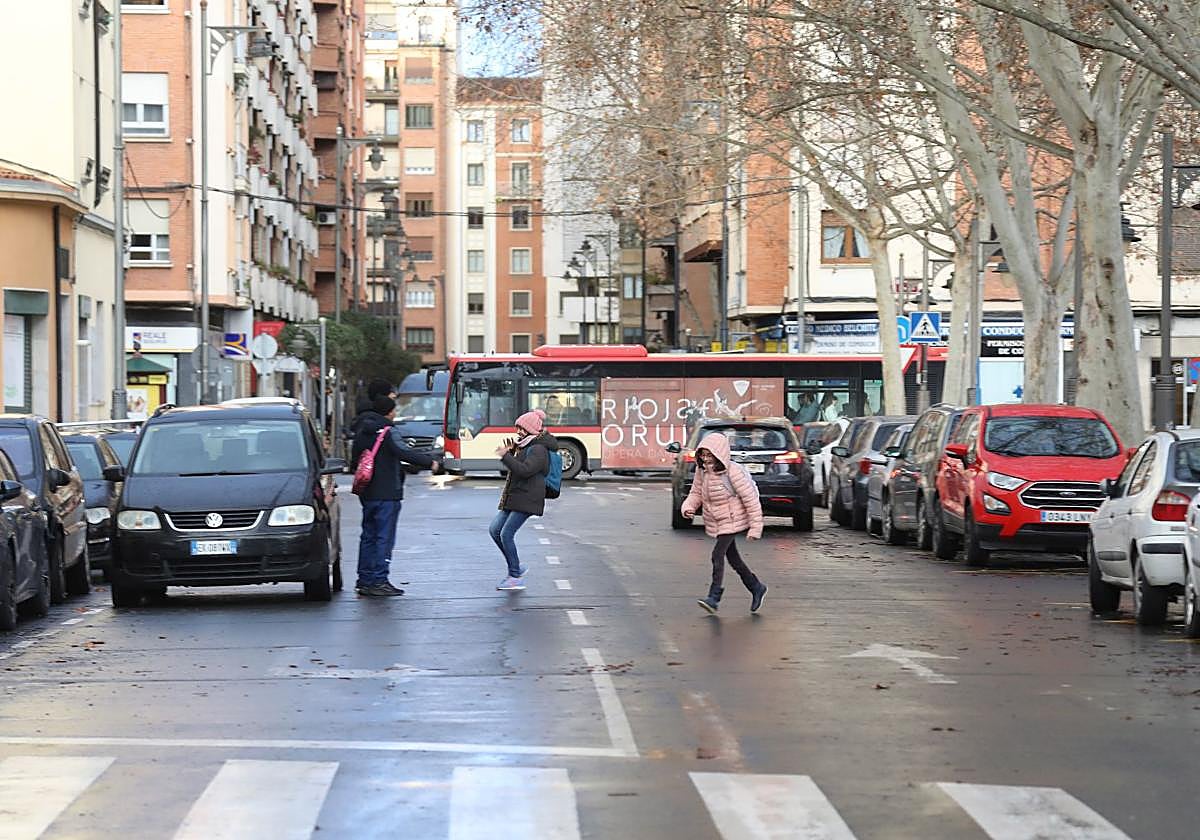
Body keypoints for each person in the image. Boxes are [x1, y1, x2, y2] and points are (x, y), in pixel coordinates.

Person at [351, 395, 440, 597]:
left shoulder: (362, 431)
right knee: (384, 537)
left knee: (368, 536)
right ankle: (379, 580)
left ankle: (364, 579)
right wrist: (429, 462)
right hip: (387, 492)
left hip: (367, 491)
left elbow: (355, 458)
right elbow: (404, 452)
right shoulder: (387, 431)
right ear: (390, 412)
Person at [680, 432, 767, 615]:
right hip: (717, 519)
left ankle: (713, 597)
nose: (705, 458)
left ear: (718, 453)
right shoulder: (702, 471)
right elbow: (696, 493)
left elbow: (750, 499)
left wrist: (755, 527)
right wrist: (688, 507)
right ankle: (756, 586)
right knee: (734, 559)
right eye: (703, 454)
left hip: (732, 518)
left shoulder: (732, 472)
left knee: (717, 554)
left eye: (709, 454)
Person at [491, 408, 559, 591]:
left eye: (521, 428)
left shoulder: (538, 449)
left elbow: (525, 470)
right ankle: (517, 567)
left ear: (531, 429)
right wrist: (513, 453)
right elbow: (519, 467)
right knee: (494, 530)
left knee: (506, 534)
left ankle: (515, 576)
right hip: (517, 496)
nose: (518, 432)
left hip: (528, 498)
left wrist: (505, 456)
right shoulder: (526, 446)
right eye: (517, 427)